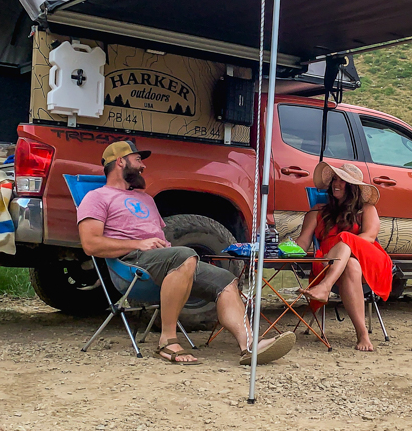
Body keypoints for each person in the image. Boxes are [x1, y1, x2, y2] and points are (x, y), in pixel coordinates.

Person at [77, 140, 296, 365]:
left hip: (165, 261)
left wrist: (159, 248)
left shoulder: (146, 199)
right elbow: (91, 245)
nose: (143, 166)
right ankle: (167, 340)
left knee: (225, 280)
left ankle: (249, 345)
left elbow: (159, 239)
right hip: (132, 265)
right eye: (138, 159)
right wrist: (137, 244)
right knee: (184, 255)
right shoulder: (97, 197)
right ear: (120, 161)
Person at [294, 161, 393, 351]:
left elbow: (370, 237)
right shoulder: (318, 211)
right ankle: (362, 334)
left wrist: (344, 243)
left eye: (342, 181)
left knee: (347, 242)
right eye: (334, 180)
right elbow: (303, 242)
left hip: (368, 260)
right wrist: (284, 249)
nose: (335, 184)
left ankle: (325, 287)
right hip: (330, 261)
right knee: (350, 266)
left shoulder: (367, 209)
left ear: (353, 188)